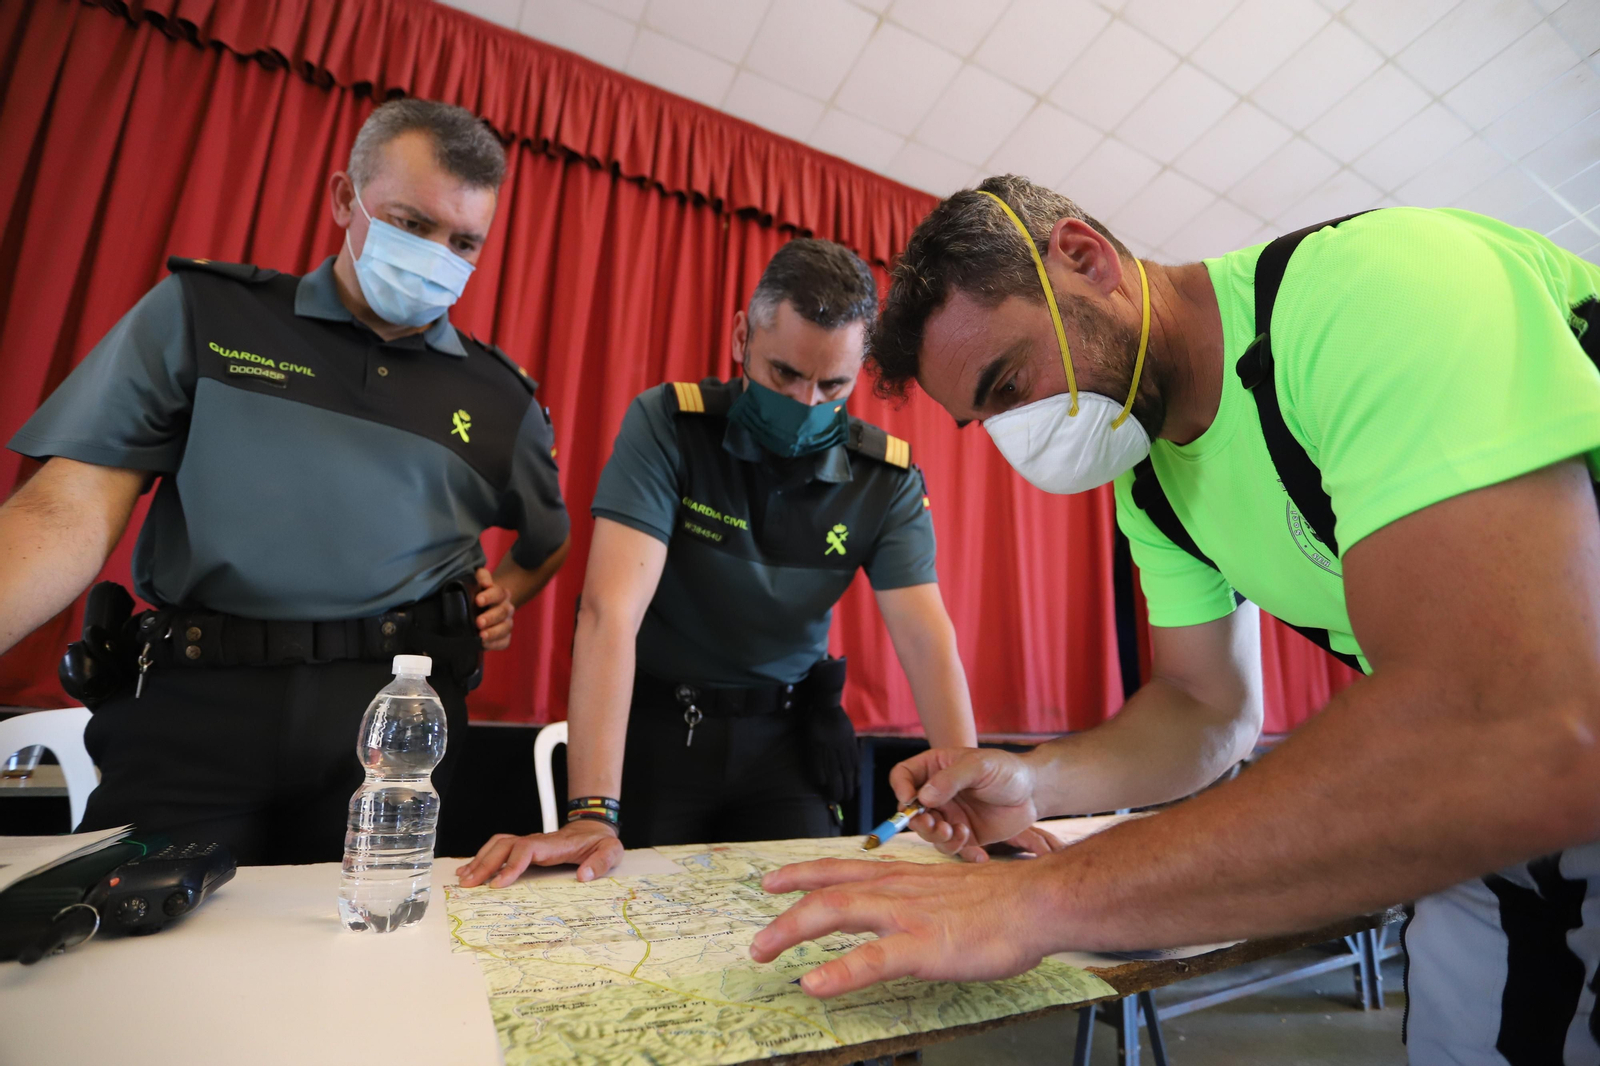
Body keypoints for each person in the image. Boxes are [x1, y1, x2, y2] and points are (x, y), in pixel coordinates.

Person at [747, 175, 1600, 1063]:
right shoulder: (1153, 490)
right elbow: (1207, 708)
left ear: (1085, 259)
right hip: (1502, 841)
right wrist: (1036, 783)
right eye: (986, 420)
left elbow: (1513, 719)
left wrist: (1039, 902)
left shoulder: (1372, 291)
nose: (1017, 434)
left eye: (1009, 382)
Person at [0, 99, 571, 864]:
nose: (438, 254)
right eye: (411, 224)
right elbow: (68, 504)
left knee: (364, 968)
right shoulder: (209, 313)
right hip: (196, 711)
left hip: (390, 733)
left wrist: (503, 592)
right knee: (121, 948)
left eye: (464, 241)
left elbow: (548, 541)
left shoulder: (502, 400)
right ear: (344, 198)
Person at [459, 238, 1024, 889]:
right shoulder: (670, 426)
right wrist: (591, 813)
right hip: (662, 731)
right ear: (739, 337)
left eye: (832, 384)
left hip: (785, 738)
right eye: (784, 373)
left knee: (808, 914)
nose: (806, 403)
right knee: (633, 910)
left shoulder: (884, 478)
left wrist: (973, 790)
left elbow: (927, 638)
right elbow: (608, 613)